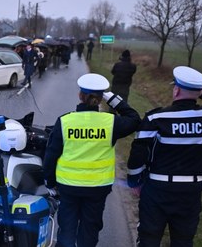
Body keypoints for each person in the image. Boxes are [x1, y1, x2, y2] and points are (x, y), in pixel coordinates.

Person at [127, 66, 202, 247]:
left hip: (158, 189)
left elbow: (138, 152)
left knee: (149, 238)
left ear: (176, 89)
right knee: (183, 240)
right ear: (198, 92)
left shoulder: (156, 118)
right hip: (191, 191)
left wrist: (134, 181)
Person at [43, 73, 141, 247]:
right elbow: (134, 119)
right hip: (97, 188)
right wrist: (113, 99)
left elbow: (51, 155)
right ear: (101, 98)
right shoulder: (111, 123)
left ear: (80, 95)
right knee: (90, 229)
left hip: (68, 186)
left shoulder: (65, 121)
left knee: (67, 228)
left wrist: (50, 183)